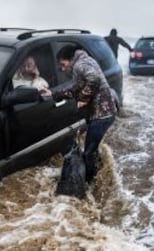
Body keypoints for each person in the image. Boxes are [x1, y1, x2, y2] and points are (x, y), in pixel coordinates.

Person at [40, 46, 117, 183]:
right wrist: (54, 93)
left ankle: (89, 183)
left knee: (88, 152)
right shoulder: (85, 61)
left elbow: (94, 79)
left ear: (70, 60)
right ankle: (98, 171)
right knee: (92, 148)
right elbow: (75, 88)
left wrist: (83, 99)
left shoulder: (79, 65)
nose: (63, 69)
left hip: (101, 115)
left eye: (63, 65)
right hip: (104, 113)